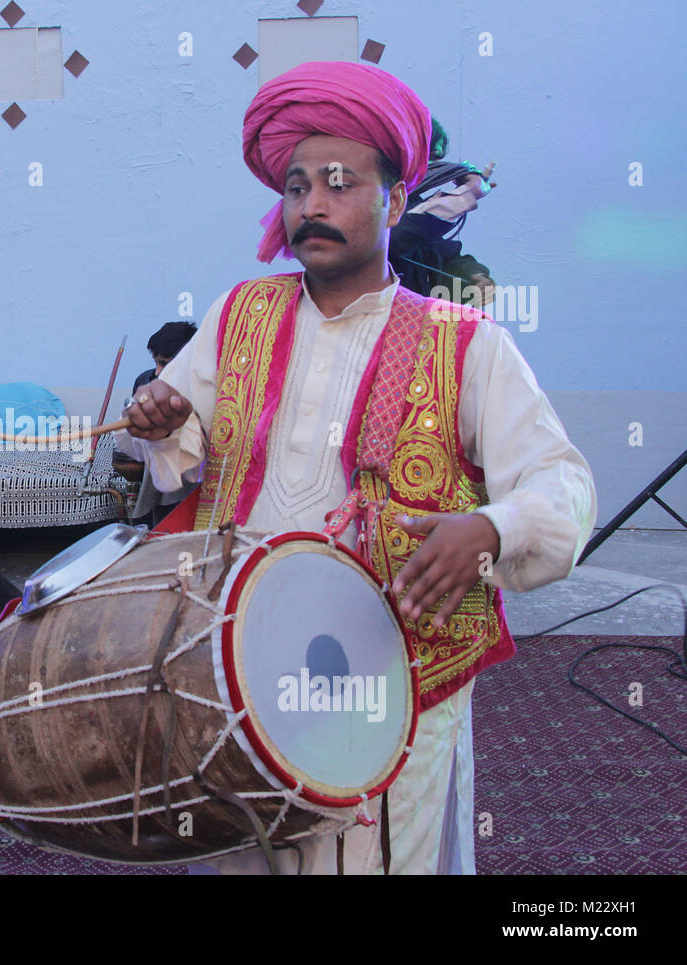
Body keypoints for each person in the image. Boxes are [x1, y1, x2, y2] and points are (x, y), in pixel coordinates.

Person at [124, 60, 596, 874]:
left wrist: (489, 525)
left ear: (396, 200)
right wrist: (160, 425)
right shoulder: (241, 312)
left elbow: (565, 486)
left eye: (338, 184)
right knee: (244, 856)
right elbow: (179, 460)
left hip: (394, 682)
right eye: (297, 186)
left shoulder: (467, 342)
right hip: (237, 668)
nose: (311, 204)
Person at [391, 117, 498, 304]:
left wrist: (475, 277)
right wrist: (465, 196)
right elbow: (395, 239)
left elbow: (445, 256)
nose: (430, 167)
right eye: (429, 157)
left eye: (435, 159)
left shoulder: (413, 201)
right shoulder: (371, 202)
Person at [115, 322, 199, 526]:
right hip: (154, 472)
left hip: (192, 477)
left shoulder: (200, 386)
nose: (159, 372)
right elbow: (132, 439)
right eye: (156, 362)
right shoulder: (145, 381)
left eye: (166, 364)